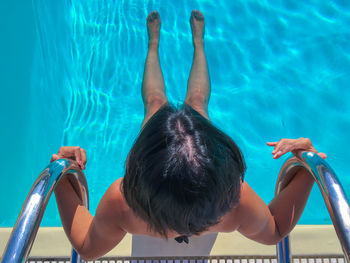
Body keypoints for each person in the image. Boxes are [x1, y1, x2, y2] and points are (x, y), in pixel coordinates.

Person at [52, 10, 327, 260]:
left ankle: (172, 44)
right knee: (195, 103)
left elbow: (87, 246)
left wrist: (63, 173)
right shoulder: (232, 201)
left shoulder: (124, 204)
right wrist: (306, 163)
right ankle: (175, 43)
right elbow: (276, 227)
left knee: (156, 103)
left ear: (139, 169)